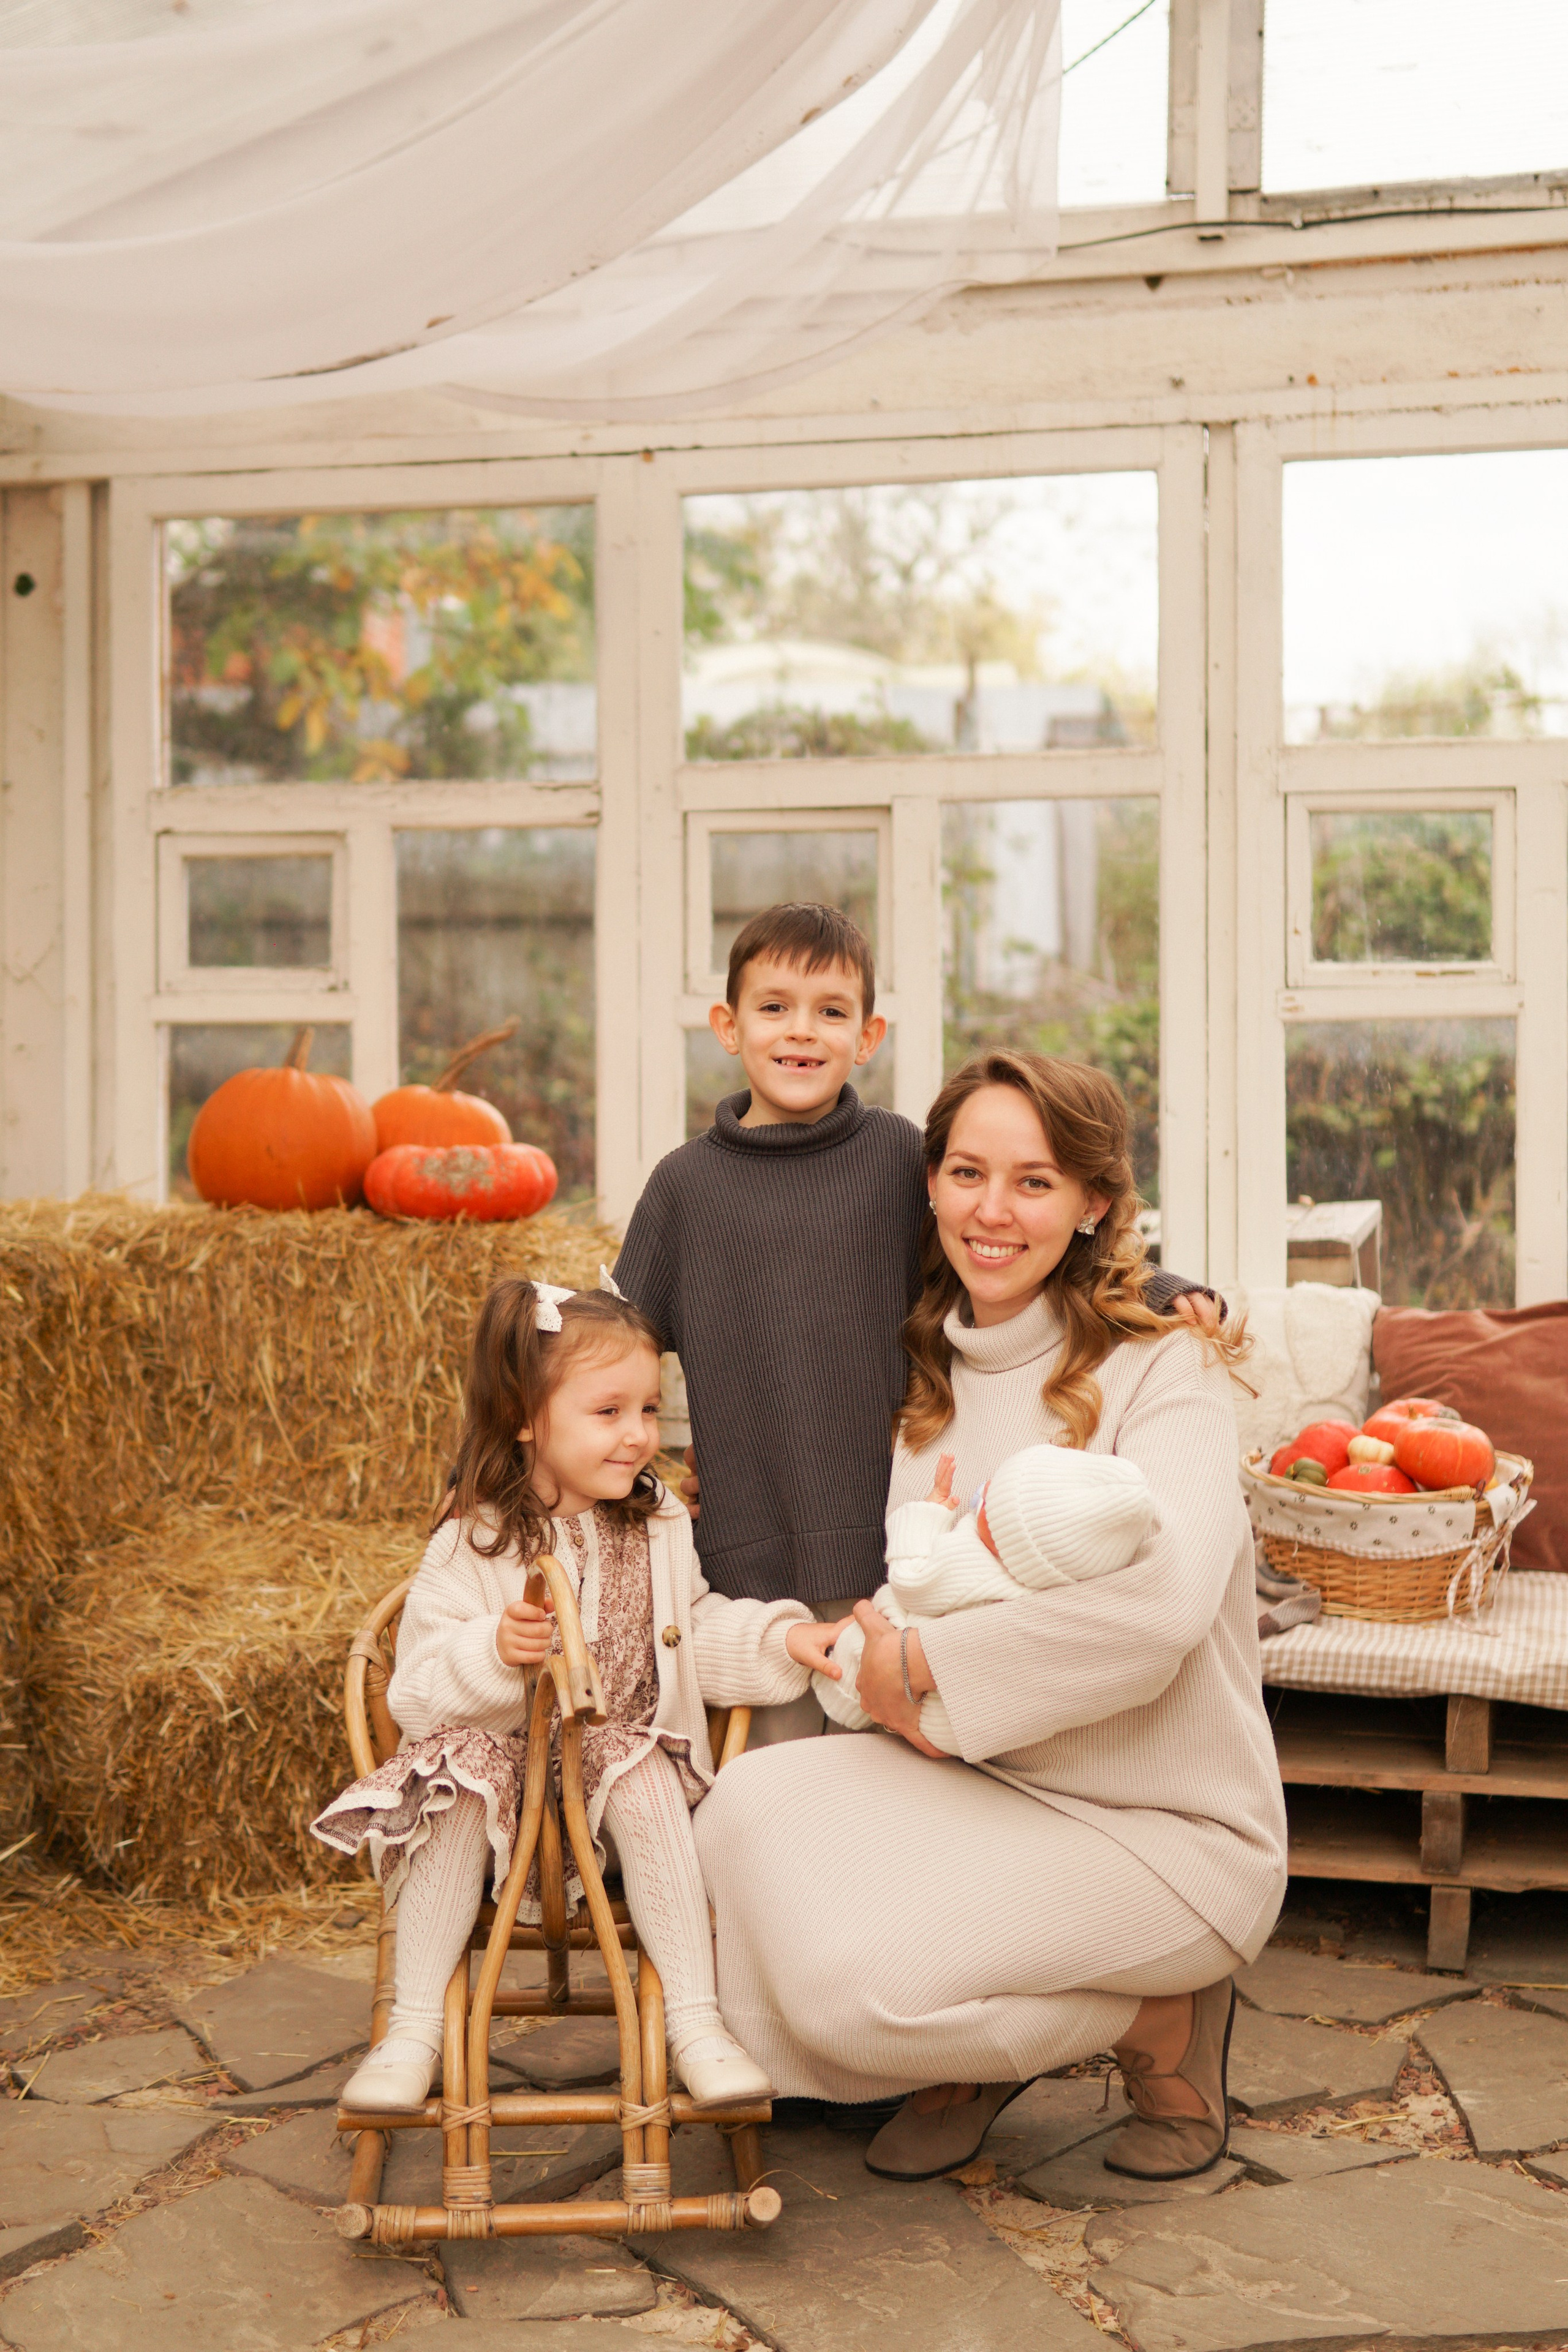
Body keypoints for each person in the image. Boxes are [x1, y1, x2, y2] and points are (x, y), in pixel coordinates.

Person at [693, 1050, 1289, 2184]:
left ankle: (1159, 2019)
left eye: (1034, 1182)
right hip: (986, 1786)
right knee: (738, 1811)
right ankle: (983, 2024)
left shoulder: (1168, 1364)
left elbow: (1158, 1613)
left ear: (1094, 1203)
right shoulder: (925, 1381)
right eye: (968, 1173)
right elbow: (912, 1587)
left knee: (851, 2001)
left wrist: (923, 1663)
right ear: (930, 1186)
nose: (993, 1211)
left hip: (1169, 1830)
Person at [613, 899, 1215, 1743]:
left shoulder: (898, 1158)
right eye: (775, 1006)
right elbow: (608, 1345)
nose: (802, 1030)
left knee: (890, 1748)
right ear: (727, 1026)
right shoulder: (683, 1189)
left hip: (895, 1546)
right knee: (769, 1767)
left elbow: (1003, 1240)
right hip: (747, 1559)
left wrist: (1157, 1287)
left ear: (869, 1037)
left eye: (831, 1012)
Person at [312, 1276, 849, 2114]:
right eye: (609, 1412)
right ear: (524, 1416)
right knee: (457, 1775)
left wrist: (780, 1641)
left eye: (649, 1409)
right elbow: (414, 1693)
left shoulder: (657, 1524)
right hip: (499, 1824)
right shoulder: (474, 1539)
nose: (638, 1435)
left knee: (640, 1758)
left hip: (618, 1820)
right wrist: (492, 1652)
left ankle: (696, 2024)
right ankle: (413, 2031)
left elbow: (690, 1634)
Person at [813, 1441, 1156, 1751]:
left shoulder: (974, 1560)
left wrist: (927, 1514)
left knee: (866, 1631)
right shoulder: (1048, 1584)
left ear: (1008, 1540)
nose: (985, 1488)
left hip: (922, 1694)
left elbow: (911, 1583)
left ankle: (843, 1696)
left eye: (992, 1500)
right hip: (970, 1720)